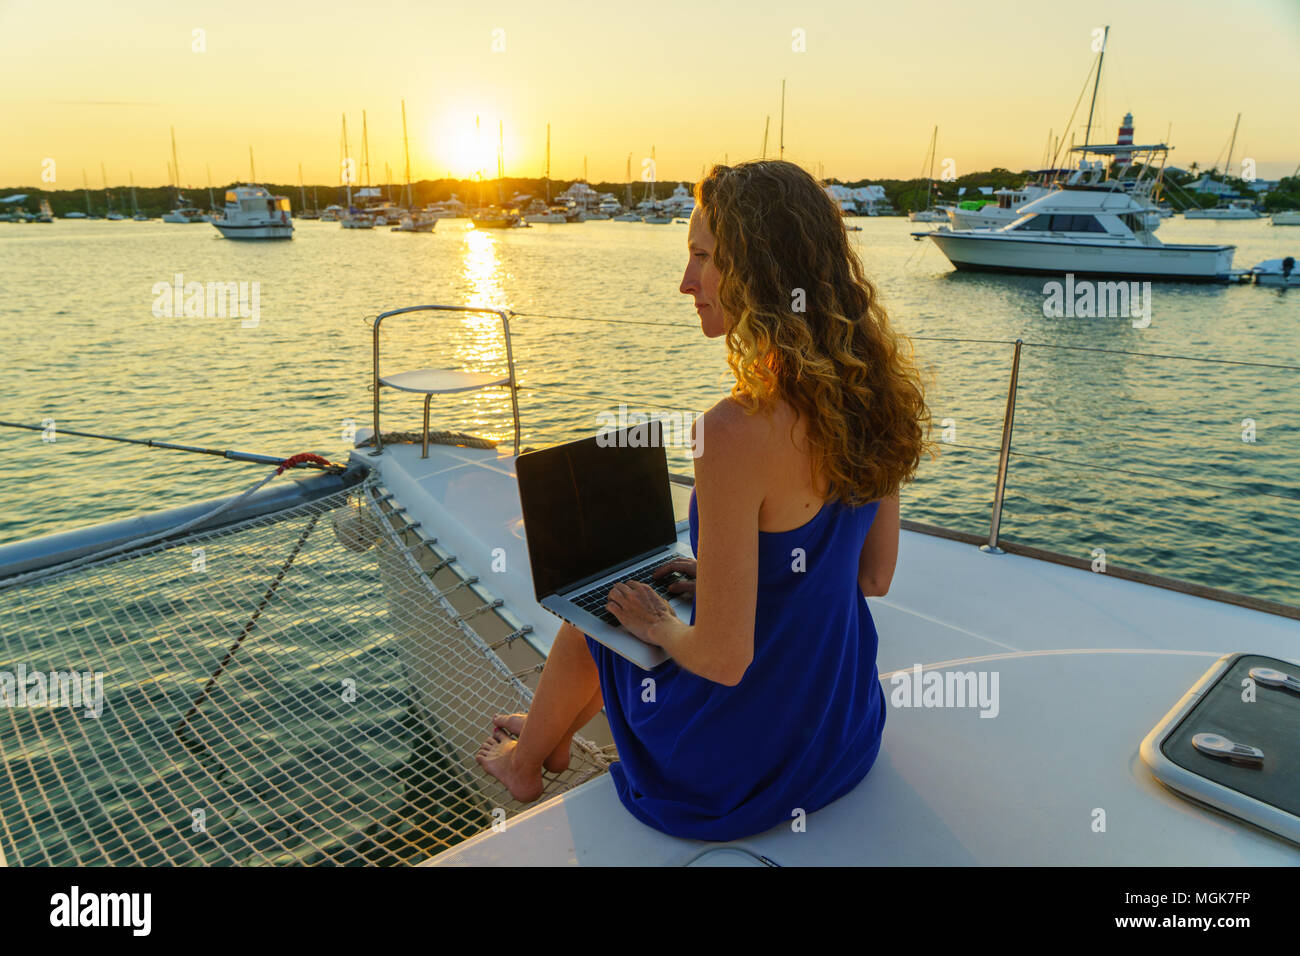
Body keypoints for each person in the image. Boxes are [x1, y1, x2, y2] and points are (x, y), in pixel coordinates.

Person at [476, 159, 933, 841]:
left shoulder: (732, 432)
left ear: (761, 269)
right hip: (839, 732)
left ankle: (525, 761)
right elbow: (873, 575)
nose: (686, 282)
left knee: (603, 609)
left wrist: (661, 624)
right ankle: (552, 736)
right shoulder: (878, 392)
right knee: (640, 596)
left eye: (702, 258)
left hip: (737, 772)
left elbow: (724, 660)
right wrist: (731, 577)